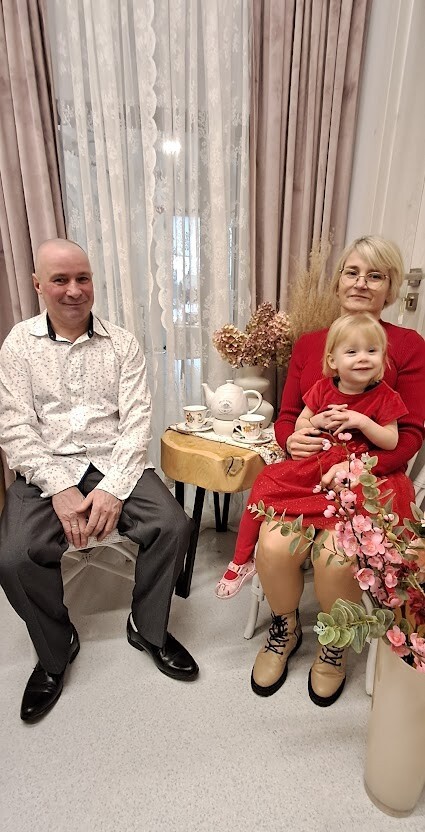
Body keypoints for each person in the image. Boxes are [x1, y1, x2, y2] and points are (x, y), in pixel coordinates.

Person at [0, 239, 199, 723]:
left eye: (82, 278)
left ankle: (147, 628)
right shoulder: (19, 345)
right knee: (14, 556)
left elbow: (137, 422)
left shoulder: (122, 343)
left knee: (173, 526)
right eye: (60, 280)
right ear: (38, 285)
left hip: (114, 461)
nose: (74, 290)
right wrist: (59, 487)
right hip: (46, 464)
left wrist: (111, 488)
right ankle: (56, 648)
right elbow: (15, 427)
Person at [250, 235, 425, 705]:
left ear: (390, 288)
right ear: (338, 281)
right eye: (352, 272)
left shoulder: (408, 345)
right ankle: (285, 628)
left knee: (338, 556)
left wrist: (358, 467)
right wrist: (290, 439)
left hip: (373, 480)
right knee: (274, 544)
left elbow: (410, 436)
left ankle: (334, 643)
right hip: (311, 474)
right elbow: (288, 415)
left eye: (375, 275)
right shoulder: (311, 344)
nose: (361, 283)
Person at [215, 312, 410, 600]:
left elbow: (392, 441)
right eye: (352, 352)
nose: (363, 358)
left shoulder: (385, 396)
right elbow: (301, 422)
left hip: (358, 472)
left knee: (354, 514)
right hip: (317, 465)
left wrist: (361, 421)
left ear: (382, 359)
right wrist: (316, 422)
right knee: (265, 481)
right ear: (333, 360)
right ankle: (242, 558)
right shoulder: (322, 389)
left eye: (372, 351)